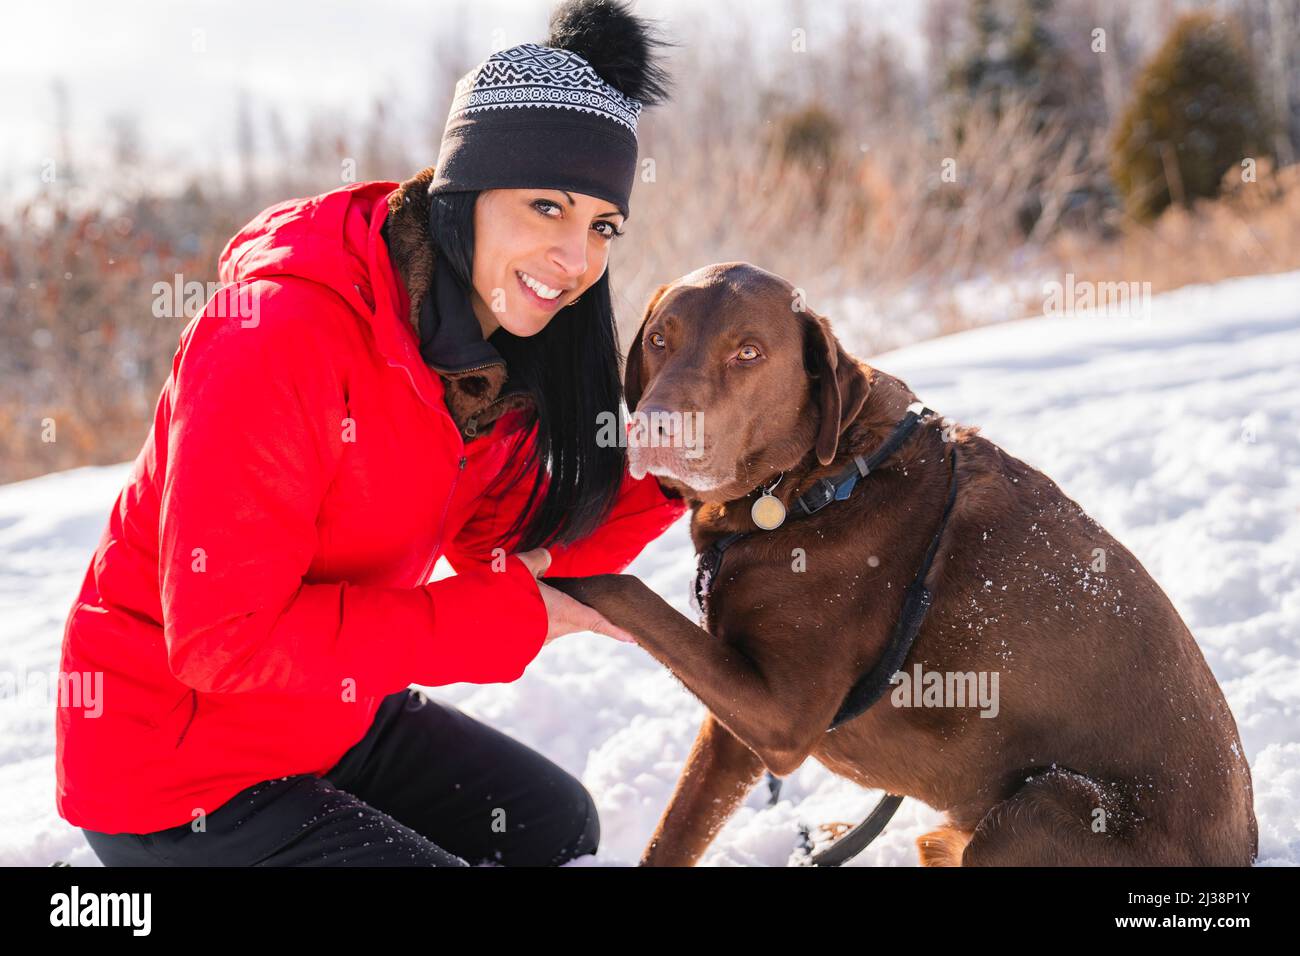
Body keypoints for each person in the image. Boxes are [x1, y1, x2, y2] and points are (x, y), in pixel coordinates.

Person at [57, 0, 683, 866]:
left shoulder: (478, 356)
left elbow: (505, 548)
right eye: (547, 206)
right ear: (466, 189)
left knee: (553, 829)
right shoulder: (279, 334)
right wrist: (487, 623)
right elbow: (219, 640)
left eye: (601, 226)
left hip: (328, 718)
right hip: (179, 775)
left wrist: (681, 472)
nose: (576, 259)